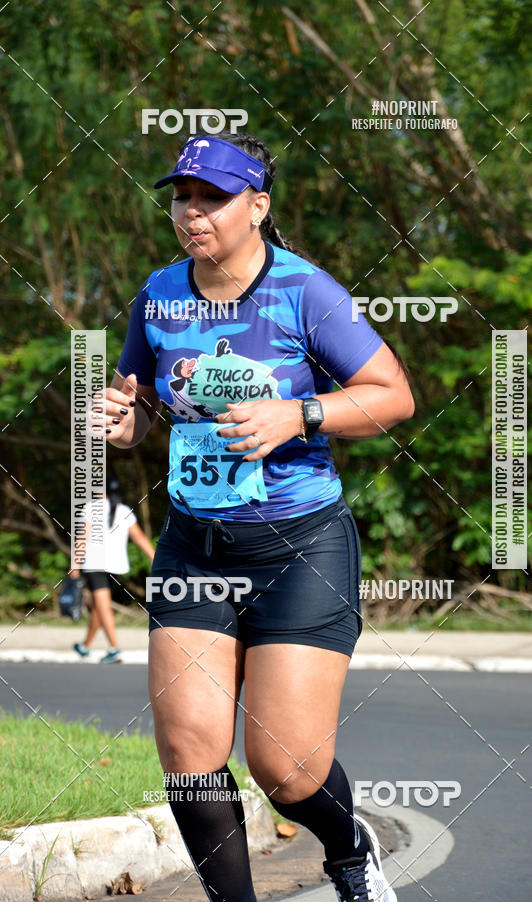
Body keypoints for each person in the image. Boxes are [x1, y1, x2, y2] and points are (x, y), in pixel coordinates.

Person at [104, 132, 414, 901]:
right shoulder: (159, 293)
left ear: (259, 206)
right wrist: (124, 419)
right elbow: (140, 403)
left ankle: (348, 849)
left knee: (287, 770)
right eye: (183, 197)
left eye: (214, 197)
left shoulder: (306, 291)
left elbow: (392, 395)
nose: (194, 212)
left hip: (300, 548)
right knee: (188, 752)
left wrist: (297, 414)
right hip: (194, 548)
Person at [72, 475, 155, 663]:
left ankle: (114, 648)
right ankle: (85, 646)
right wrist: (154, 558)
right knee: (99, 608)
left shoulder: (91, 508)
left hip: (94, 564)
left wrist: (75, 564)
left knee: (103, 607)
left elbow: (82, 538)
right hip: (115, 566)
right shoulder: (125, 510)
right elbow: (140, 537)